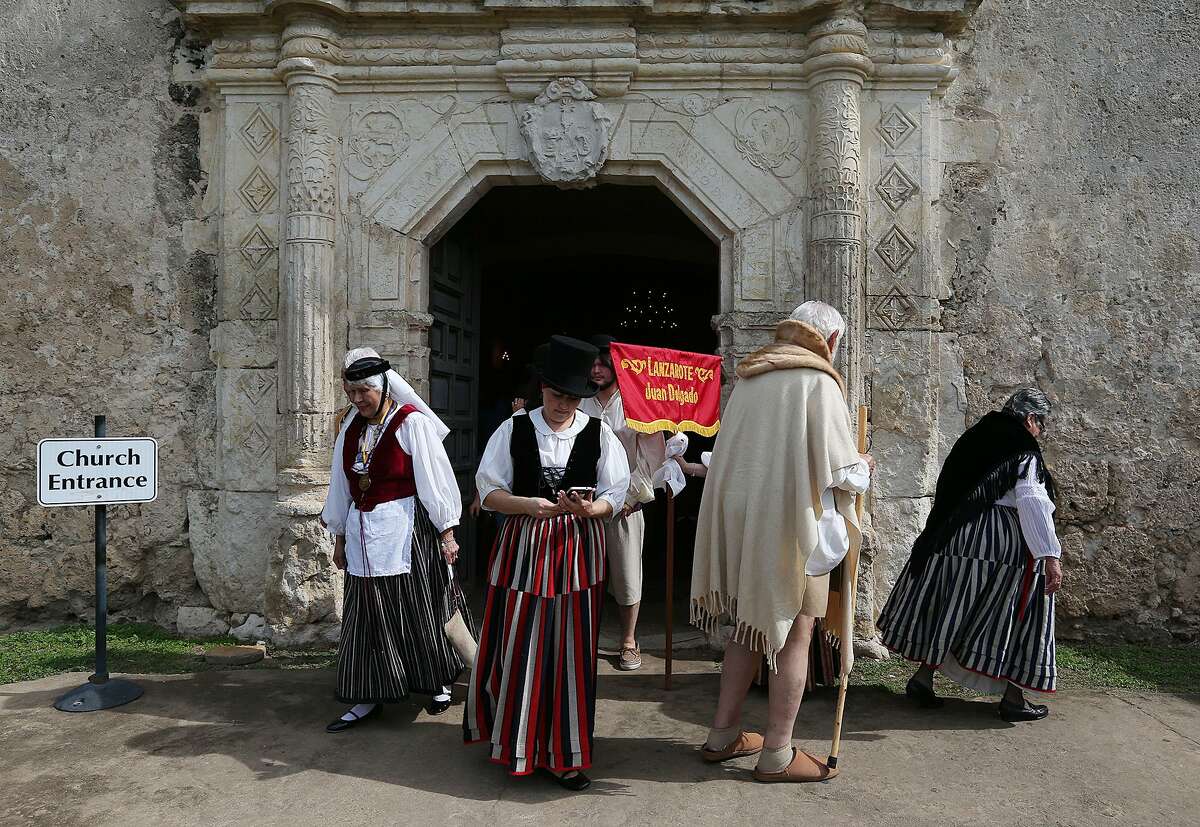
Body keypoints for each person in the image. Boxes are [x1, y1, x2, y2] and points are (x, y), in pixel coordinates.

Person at [690, 301, 872, 783]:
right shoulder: (820, 381)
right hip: (796, 532)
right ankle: (777, 754)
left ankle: (722, 734)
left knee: (747, 628)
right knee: (796, 634)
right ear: (831, 342)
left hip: (748, 525)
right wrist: (864, 466)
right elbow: (841, 471)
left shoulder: (750, 378)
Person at [464, 336, 631, 791]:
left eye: (573, 398)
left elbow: (616, 494)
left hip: (577, 555)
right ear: (543, 388)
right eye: (557, 395)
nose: (563, 405)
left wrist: (590, 509)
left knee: (571, 650)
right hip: (521, 549)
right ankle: (516, 742)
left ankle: (564, 754)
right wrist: (525, 504)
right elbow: (490, 491)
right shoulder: (514, 428)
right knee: (518, 643)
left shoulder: (599, 434)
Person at [876, 388, 1063, 721]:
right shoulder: (1024, 449)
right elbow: (1032, 501)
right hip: (998, 545)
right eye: (1041, 424)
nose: (1041, 432)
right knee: (1018, 609)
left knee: (952, 605)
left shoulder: (977, 435)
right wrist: (1050, 554)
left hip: (953, 538)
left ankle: (923, 677)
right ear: (1030, 419)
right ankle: (1014, 697)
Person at [320, 348, 472, 731]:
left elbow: (436, 480)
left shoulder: (411, 423)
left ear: (382, 386)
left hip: (410, 533)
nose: (356, 400)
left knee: (419, 609)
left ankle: (436, 683)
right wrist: (338, 536)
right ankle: (367, 692)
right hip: (362, 535)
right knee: (365, 615)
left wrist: (447, 531)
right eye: (350, 392)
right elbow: (341, 485)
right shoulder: (350, 427)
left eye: (363, 392)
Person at [579, 334, 666, 671]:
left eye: (603, 362)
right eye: (593, 364)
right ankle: (582, 638)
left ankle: (629, 641)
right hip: (583, 505)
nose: (597, 369)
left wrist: (632, 495)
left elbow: (653, 456)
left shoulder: (636, 402)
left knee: (628, 573)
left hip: (627, 503)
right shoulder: (580, 401)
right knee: (582, 574)